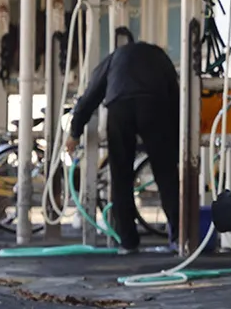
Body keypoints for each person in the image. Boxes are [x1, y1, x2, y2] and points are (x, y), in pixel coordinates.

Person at [65, 39, 181, 255]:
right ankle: (179, 236)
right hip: (153, 104)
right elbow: (175, 97)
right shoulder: (159, 57)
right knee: (166, 173)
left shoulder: (115, 58)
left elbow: (91, 94)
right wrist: (176, 142)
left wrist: (75, 131)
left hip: (119, 105)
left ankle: (128, 241)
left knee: (120, 174)